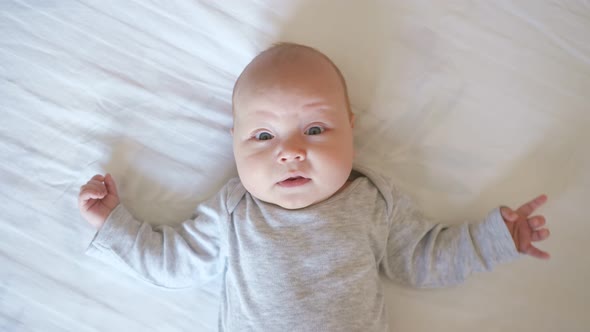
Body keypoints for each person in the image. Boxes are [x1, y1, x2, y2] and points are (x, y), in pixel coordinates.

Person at [79, 43, 551, 331]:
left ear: (350, 128)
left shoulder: (372, 200)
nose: (290, 151)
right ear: (235, 145)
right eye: (263, 136)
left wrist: (493, 239)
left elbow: (421, 259)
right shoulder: (234, 211)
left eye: (315, 130)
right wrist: (115, 224)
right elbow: (175, 263)